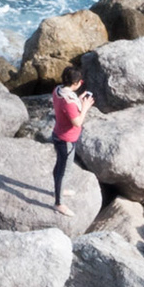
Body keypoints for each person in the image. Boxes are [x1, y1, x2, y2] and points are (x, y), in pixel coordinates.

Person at [50, 65, 95, 216]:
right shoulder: (68, 102)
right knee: (64, 171)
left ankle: (59, 189)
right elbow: (77, 122)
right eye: (80, 82)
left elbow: (66, 105)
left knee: (60, 166)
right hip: (66, 140)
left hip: (58, 134)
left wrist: (79, 99)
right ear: (75, 83)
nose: (81, 83)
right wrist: (85, 107)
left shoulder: (58, 90)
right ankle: (58, 203)